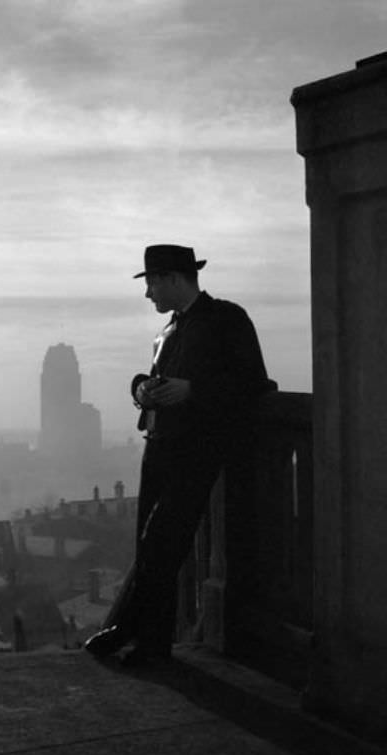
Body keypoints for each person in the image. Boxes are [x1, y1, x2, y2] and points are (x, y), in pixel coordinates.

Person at [84, 244, 274, 666]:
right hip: (159, 448)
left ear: (172, 278)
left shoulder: (227, 319)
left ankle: (146, 641)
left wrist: (193, 391)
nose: (148, 293)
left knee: (162, 545)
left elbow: (255, 385)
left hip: (196, 451)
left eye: (151, 282)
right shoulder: (170, 330)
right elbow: (156, 380)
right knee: (151, 546)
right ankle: (140, 635)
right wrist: (141, 389)